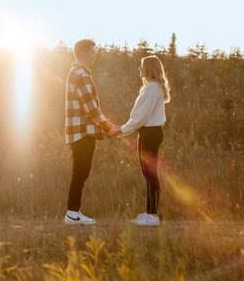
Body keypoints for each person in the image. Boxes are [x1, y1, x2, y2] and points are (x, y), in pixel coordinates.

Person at [63, 39, 120, 225]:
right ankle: (72, 214)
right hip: (82, 131)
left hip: (80, 131)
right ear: (84, 53)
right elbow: (91, 108)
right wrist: (109, 127)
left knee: (80, 172)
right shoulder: (81, 74)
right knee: (80, 173)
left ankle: (74, 212)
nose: (95, 55)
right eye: (93, 52)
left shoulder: (78, 73)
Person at [119, 54, 170, 226]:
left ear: (148, 68)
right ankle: (149, 212)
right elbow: (138, 115)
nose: (139, 69)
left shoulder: (153, 88)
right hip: (146, 133)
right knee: (147, 173)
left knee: (151, 173)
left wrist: (122, 130)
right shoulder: (148, 88)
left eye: (141, 66)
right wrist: (127, 127)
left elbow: (141, 116)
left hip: (151, 133)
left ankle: (153, 215)